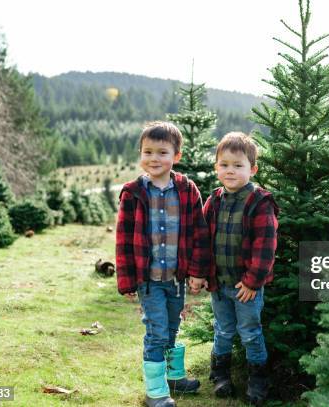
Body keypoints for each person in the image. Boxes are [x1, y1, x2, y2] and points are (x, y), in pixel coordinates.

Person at [116, 121, 209, 407]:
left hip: (176, 278)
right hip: (149, 279)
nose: (154, 158)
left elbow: (198, 232)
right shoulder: (132, 193)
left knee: (171, 328)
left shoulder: (186, 189)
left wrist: (197, 272)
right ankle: (155, 393)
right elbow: (122, 239)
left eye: (162, 152)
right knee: (156, 332)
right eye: (148, 152)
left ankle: (173, 377)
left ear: (176, 156)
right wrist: (127, 280)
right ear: (141, 154)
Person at [203, 132, 279, 406]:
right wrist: (200, 274)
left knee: (250, 332)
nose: (230, 170)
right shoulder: (213, 201)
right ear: (216, 167)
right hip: (219, 285)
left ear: (252, 169)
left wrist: (251, 282)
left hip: (246, 288)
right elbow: (201, 241)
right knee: (222, 330)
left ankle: (258, 379)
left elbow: (265, 247)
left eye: (238, 165)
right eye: (224, 165)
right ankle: (220, 374)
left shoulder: (259, 202)